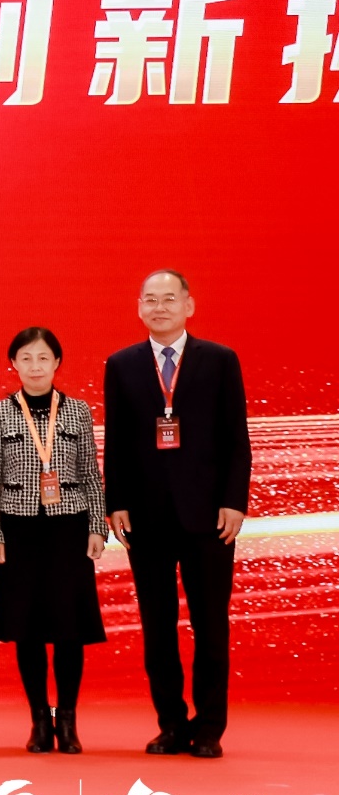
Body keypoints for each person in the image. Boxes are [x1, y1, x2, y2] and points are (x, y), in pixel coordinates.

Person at [104, 270, 251, 759]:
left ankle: (209, 728)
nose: (160, 307)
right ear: (139, 307)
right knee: (158, 626)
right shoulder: (121, 364)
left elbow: (236, 438)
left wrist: (234, 501)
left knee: (211, 624)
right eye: (151, 300)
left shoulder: (220, 360)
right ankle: (170, 724)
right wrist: (116, 502)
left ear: (189, 305)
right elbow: (117, 441)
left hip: (210, 517)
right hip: (145, 518)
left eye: (169, 299)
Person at [0, 328, 106, 755]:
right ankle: (39, 720)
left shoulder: (77, 410)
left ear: (57, 363)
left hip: (68, 528)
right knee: (27, 628)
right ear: (13, 363)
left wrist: (97, 526)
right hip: (18, 529)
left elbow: (90, 473)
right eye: (26, 358)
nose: (35, 366)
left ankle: (66, 719)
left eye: (43, 358)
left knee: (69, 628)